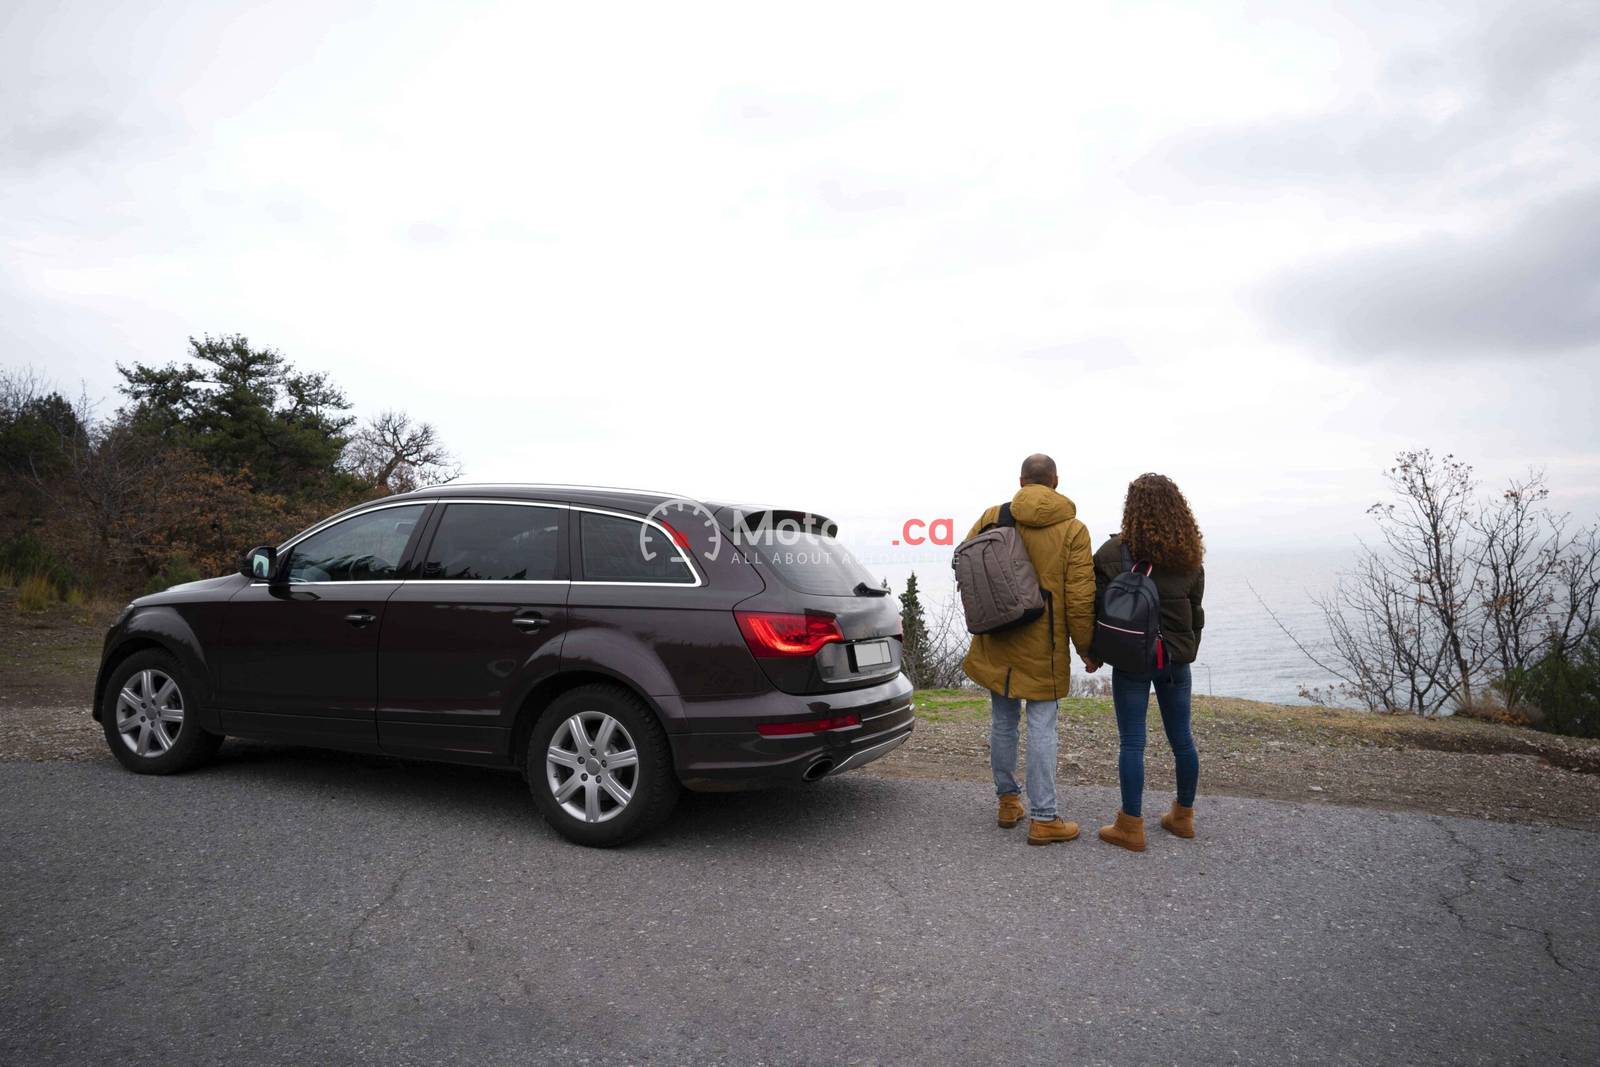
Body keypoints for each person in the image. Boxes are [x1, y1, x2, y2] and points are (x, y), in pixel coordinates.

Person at [961, 453, 1097, 846]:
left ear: (1021, 482)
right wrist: (1087, 648)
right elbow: (1080, 598)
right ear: (1055, 482)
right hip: (1045, 646)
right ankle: (1044, 818)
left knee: (1003, 723)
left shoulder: (992, 516)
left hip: (996, 638)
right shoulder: (1073, 529)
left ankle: (1008, 802)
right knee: (1042, 728)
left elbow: (969, 569)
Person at [1090, 473, 1205, 852]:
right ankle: (1183, 818)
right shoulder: (1189, 555)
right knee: (1182, 739)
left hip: (1132, 658)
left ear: (1131, 509)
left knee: (1133, 743)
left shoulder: (1111, 553)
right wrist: (1187, 649)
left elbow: (1096, 609)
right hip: (1175, 660)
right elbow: (1195, 612)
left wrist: (1093, 652)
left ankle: (1130, 825)